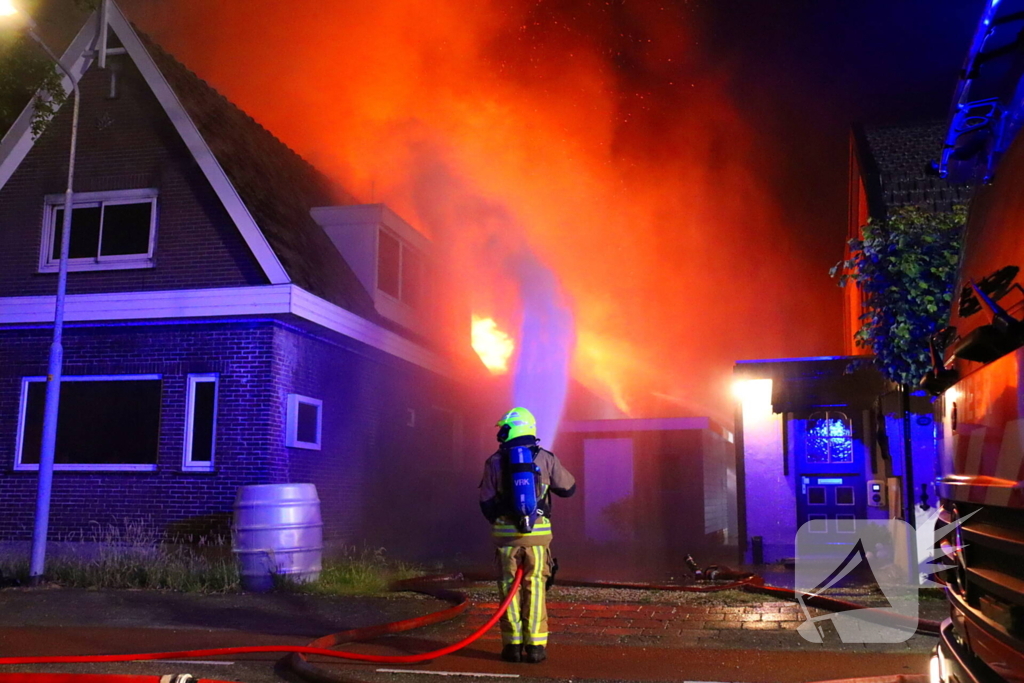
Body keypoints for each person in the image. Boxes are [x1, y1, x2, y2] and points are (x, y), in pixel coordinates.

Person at [479, 407, 576, 664]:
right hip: (538, 538)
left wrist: (502, 520)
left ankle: (512, 647)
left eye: (505, 428)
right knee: (535, 588)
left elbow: (486, 502)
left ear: (513, 429)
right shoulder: (545, 458)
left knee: (507, 589)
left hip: (506, 540)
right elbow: (569, 488)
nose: (501, 433)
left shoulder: (494, 461)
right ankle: (535, 648)